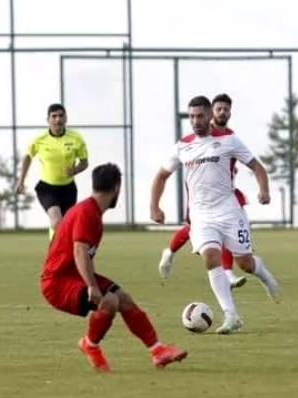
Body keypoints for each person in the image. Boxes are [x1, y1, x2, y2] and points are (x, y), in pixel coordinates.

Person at [149, 95, 281, 335]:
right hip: (201, 217)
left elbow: (257, 167)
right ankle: (231, 316)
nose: (195, 121)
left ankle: (264, 275)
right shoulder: (182, 146)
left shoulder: (229, 139)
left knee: (245, 264)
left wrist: (264, 190)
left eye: (200, 116)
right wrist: (154, 207)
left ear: (210, 115)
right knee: (211, 257)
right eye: (191, 116)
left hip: (230, 212)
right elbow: (160, 176)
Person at [40, 162, 187, 372]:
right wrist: (92, 286)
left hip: (73, 275)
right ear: (117, 187)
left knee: (123, 299)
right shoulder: (86, 212)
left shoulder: (91, 210)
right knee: (109, 301)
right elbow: (80, 251)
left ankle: (158, 351)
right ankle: (89, 345)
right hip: (57, 283)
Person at [158, 92, 247, 288]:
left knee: (225, 228)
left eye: (226, 109)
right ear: (211, 113)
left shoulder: (230, 136)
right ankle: (170, 252)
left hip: (227, 193)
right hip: (201, 196)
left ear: (230, 112)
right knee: (192, 228)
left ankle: (228, 272)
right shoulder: (197, 139)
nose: (222, 112)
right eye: (218, 109)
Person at [16, 103, 88, 240]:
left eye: (61, 116)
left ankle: (56, 246)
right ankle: (55, 247)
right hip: (47, 188)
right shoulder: (39, 140)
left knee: (66, 225)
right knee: (57, 221)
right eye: (54, 116)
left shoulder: (76, 138)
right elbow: (28, 157)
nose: (58, 120)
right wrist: (21, 180)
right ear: (48, 120)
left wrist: (75, 170)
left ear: (66, 118)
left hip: (69, 189)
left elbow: (84, 162)